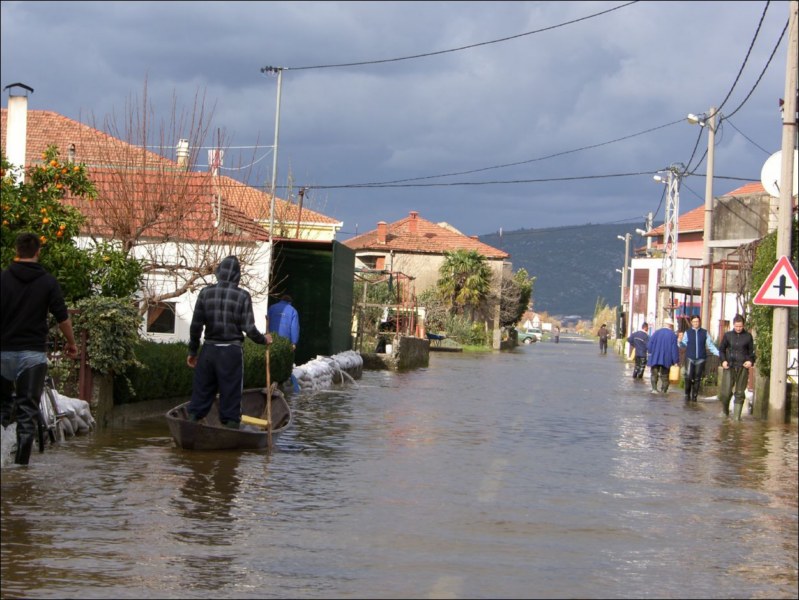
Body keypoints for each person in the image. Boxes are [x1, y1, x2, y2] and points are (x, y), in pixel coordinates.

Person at [1, 232, 79, 465]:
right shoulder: (48, 282)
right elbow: (63, 318)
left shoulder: (3, 279)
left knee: (2, 409)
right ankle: (20, 470)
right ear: (37, 252)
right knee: (27, 414)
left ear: (17, 251)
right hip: (32, 357)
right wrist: (72, 343)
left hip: (2, 353)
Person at [186, 256, 271, 429]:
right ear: (237, 276)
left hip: (208, 351)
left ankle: (191, 426)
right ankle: (230, 431)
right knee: (231, 394)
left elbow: (196, 326)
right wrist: (264, 340)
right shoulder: (243, 296)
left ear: (218, 273)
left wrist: (193, 352)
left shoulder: (205, 293)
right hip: (231, 352)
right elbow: (249, 328)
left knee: (202, 391)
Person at [718, 314, 755, 420]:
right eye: (736, 326)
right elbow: (721, 349)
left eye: (740, 326)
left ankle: (736, 418)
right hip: (729, 366)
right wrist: (723, 360)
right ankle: (725, 411)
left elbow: (751, 352)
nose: (738, 328)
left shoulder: (748, 336)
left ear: (743, 325)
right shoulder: (728, 335)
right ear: (733, 325)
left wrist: (750, 361)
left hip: (742, 367)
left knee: (739, 392)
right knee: (725, 392)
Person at [679, 315, 720, 402]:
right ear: (691, 322)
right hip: (690, 357)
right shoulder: (688, 332)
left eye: (697, 321)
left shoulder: (704, 332)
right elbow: (683, 344)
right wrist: (679, 342)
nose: (695, 323)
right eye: (694, 322)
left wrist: (719, 353)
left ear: (699, 322)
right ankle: (687, 394)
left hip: (701, 358)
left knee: (697, 378)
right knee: (689, 377)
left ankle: (694, 396)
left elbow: (710, 345)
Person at [647, 318, 680, 394]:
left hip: (655, 357)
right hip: (666, 358)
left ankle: (654, 389)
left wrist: (651, 353)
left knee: (654, 373)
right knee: (665, 375)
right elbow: (674, 349)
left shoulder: (656, 333)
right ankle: (663, 391)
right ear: (671, 326)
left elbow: (649, 345)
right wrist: (675, 361)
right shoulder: (673, 335)